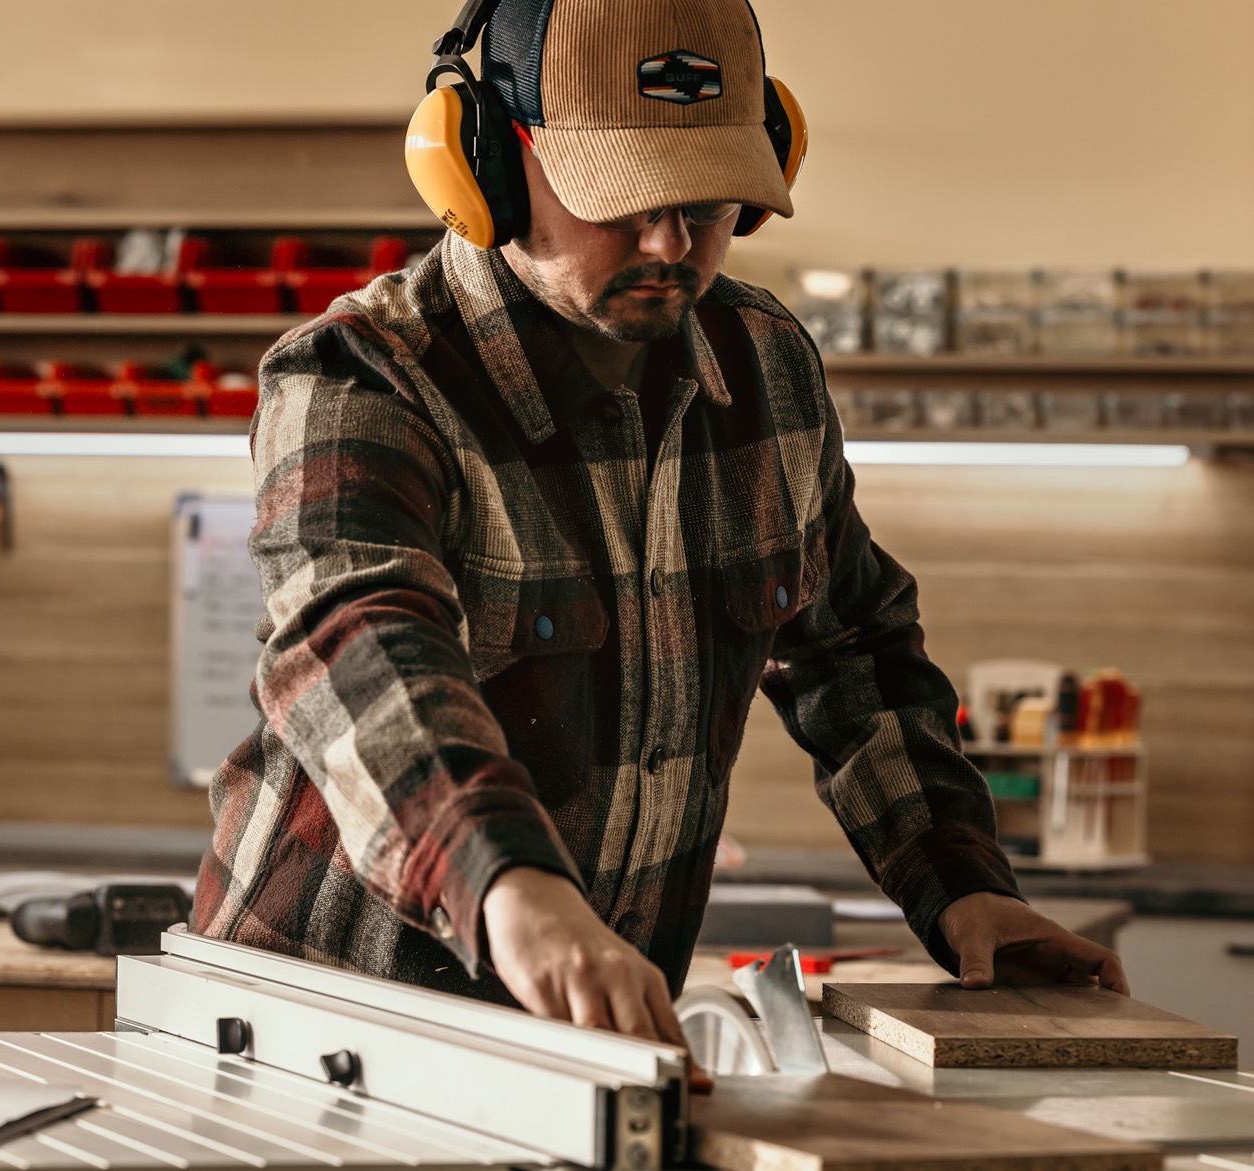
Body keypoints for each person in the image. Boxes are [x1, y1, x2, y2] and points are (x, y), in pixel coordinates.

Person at [194, 0, 1129, 1046]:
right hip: (319, 1022)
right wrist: (507, 879)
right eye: (624, 197)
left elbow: (852, 650)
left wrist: (959, 882)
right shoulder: (361, 376)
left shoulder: (763, 366)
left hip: (588, 1034)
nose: (670, 243)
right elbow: (356, 650)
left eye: (708, 200)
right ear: (487, 164)